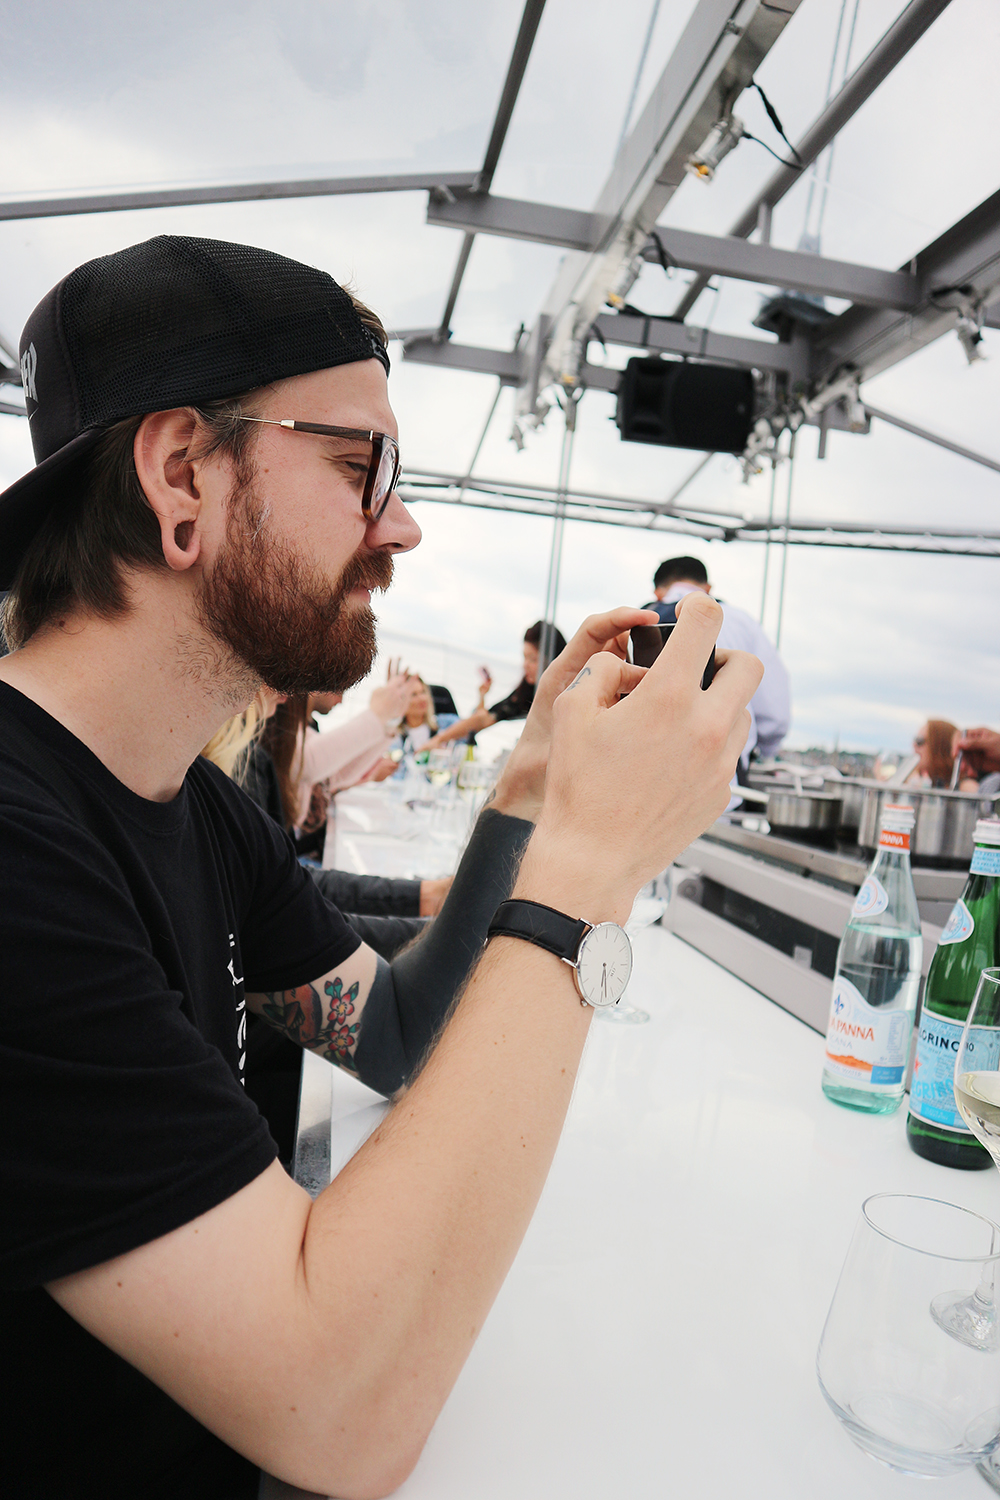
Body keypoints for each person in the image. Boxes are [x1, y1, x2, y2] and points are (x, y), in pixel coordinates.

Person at [0, 235, 760, 1499]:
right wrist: (589, 866)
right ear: (181, 475)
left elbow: (393, 1033)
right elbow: (340, 1408)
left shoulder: (196, 807)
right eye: (361, 467)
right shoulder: (21, 851)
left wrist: (528, 796)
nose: (400, 525)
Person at [645, 556, 790, 766]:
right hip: (722, 772)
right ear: (708, 588)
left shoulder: (637, 620)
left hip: (641, 768)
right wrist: (767, 750)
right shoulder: (741, 622)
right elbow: (774, 712)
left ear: (657, 592)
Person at [425, 620, 567, 750]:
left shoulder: (565, 700)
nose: (525, 665)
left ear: (553, 661)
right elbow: (484, 719)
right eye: (525, 658)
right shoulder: (525, 694)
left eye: (533, 659)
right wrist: (439, 739)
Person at [903, 718, 958, 788]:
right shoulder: (934, 782)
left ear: (939, 747)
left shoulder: (962, 787)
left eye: (920, 741)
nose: (914, 745)